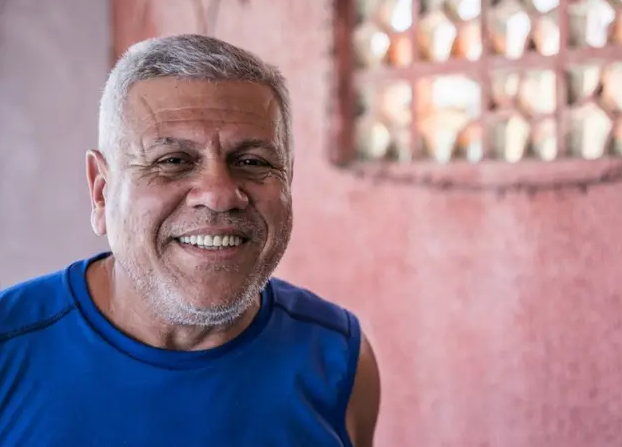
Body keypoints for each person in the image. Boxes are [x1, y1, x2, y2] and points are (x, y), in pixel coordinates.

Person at [0, 34, 380, 446]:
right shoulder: (10, 348)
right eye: (173, 161)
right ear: (101, 191)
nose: (219, 195)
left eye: (253, 162)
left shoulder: (339, 357)